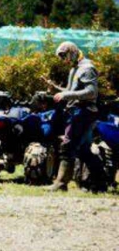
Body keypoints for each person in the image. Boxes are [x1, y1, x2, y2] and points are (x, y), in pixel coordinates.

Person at [48, 41, 102, 191]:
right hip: (77, 111)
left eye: (64, 56)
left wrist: (65, 94)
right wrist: (57, 89)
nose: (63, 60)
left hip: (84, 111)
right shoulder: (75, 68)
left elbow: (92, 92)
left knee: (68, 145)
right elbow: (72, 90)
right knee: (82, 149)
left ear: (72, 52)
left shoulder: (87, 68)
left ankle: (61, 183)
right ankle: (100, 183)